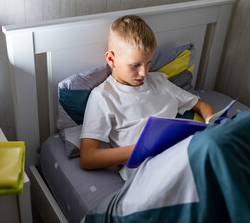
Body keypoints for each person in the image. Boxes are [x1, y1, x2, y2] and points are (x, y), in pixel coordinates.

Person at [79, 15, 216, 178]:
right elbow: (88, 158)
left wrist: (213, 122)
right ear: (111, 59)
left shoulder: (160, 81)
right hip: (149, 170)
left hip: (183, 155)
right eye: (135, 65)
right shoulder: (103, 97)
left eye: (148, 62)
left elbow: (201, 105)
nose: (144, 73)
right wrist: (141, 148)